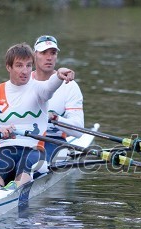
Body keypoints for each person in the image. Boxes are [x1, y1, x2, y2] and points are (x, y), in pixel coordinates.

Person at [0, 42, 75, 188]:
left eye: (29, 65)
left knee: (25, 169)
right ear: (8, 67)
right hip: (5, 150)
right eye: (19, 65)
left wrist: (59, 75)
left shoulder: (38, 89)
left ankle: (17, 188)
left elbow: (50, 87)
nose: (25, 71)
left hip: (35, 151)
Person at [32, 35, 85, 163]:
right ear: (35, 55)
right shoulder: (24, 81)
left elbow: (79, 131)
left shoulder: (69, 86)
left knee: (33, 164)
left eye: (53, 53)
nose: (49, 57)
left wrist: (56, 118)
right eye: (43, 52)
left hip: (54, 141)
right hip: (24, 138)